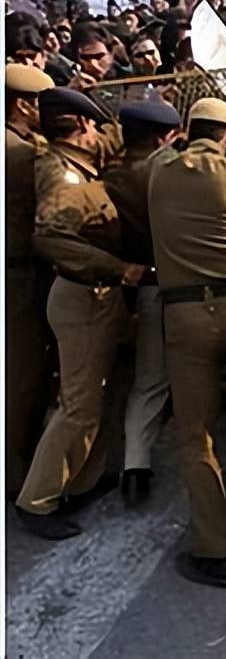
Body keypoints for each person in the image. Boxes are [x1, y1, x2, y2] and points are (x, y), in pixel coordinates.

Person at [150, 97, 226, 587]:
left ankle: (215, 548)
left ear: (187, 128)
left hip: (183, 314)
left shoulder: (160, 170)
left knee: (196, 432)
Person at [14, 87, 141, 540]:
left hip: (92, 296)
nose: (100, 134)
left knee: (98, 396)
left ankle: (82, 480)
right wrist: (116, 268)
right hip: (84, 297)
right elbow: (49, 236)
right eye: (95, 127)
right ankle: (38, 500)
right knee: (79, 405)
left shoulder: (71, 163)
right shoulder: (63, 178)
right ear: (83, 128)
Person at [103, 99, 182, 507]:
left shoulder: (110, 175)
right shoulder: (172, 172)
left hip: (136, 286)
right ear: (163, 137)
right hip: (179, 284)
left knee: (146, 381)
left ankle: (135, 464)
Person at [4, 65, 55, 497]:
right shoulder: (21, 154)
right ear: (23, 105)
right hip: (17, 276)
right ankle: (18, 481)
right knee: (21, 381)